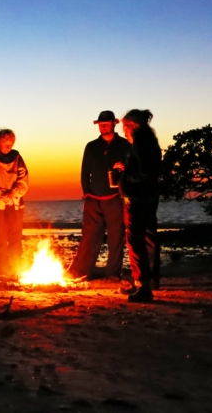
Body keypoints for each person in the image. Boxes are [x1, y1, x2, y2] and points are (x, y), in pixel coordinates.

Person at [69, 111, 131, 280]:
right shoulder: (91, 146)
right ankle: (81, 271)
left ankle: (112, 273)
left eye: (106, 123)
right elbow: (84, 172)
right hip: (93, 199)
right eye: (100, 124)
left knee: (116, 236)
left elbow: (134, 168)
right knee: (89, 236)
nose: (103, 126)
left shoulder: (124, 145)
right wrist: (86, 193)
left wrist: (125, 167)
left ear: (113, 124)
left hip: (116, 198)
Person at [116, 109, 161, 302]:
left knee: (136, 241)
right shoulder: (147, 140)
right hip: (148, 196)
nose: (124, 132)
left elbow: (145, 171)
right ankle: (149, 282)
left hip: (138, 197)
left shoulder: (142, 141)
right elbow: (146, 167)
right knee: (148, 238)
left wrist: (126, 178)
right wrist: (129, 168)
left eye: (125, 127)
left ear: (132, 125)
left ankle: (144, 286)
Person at [0, 128, 29, 278]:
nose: (7, 147)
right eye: (4, 143)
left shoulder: (18, 158)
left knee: (15, 240)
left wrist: (13, 194)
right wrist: (3, 195)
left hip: (15, 205)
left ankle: (15, 270)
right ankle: (0, 271)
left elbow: (24, 181)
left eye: (10, 144)